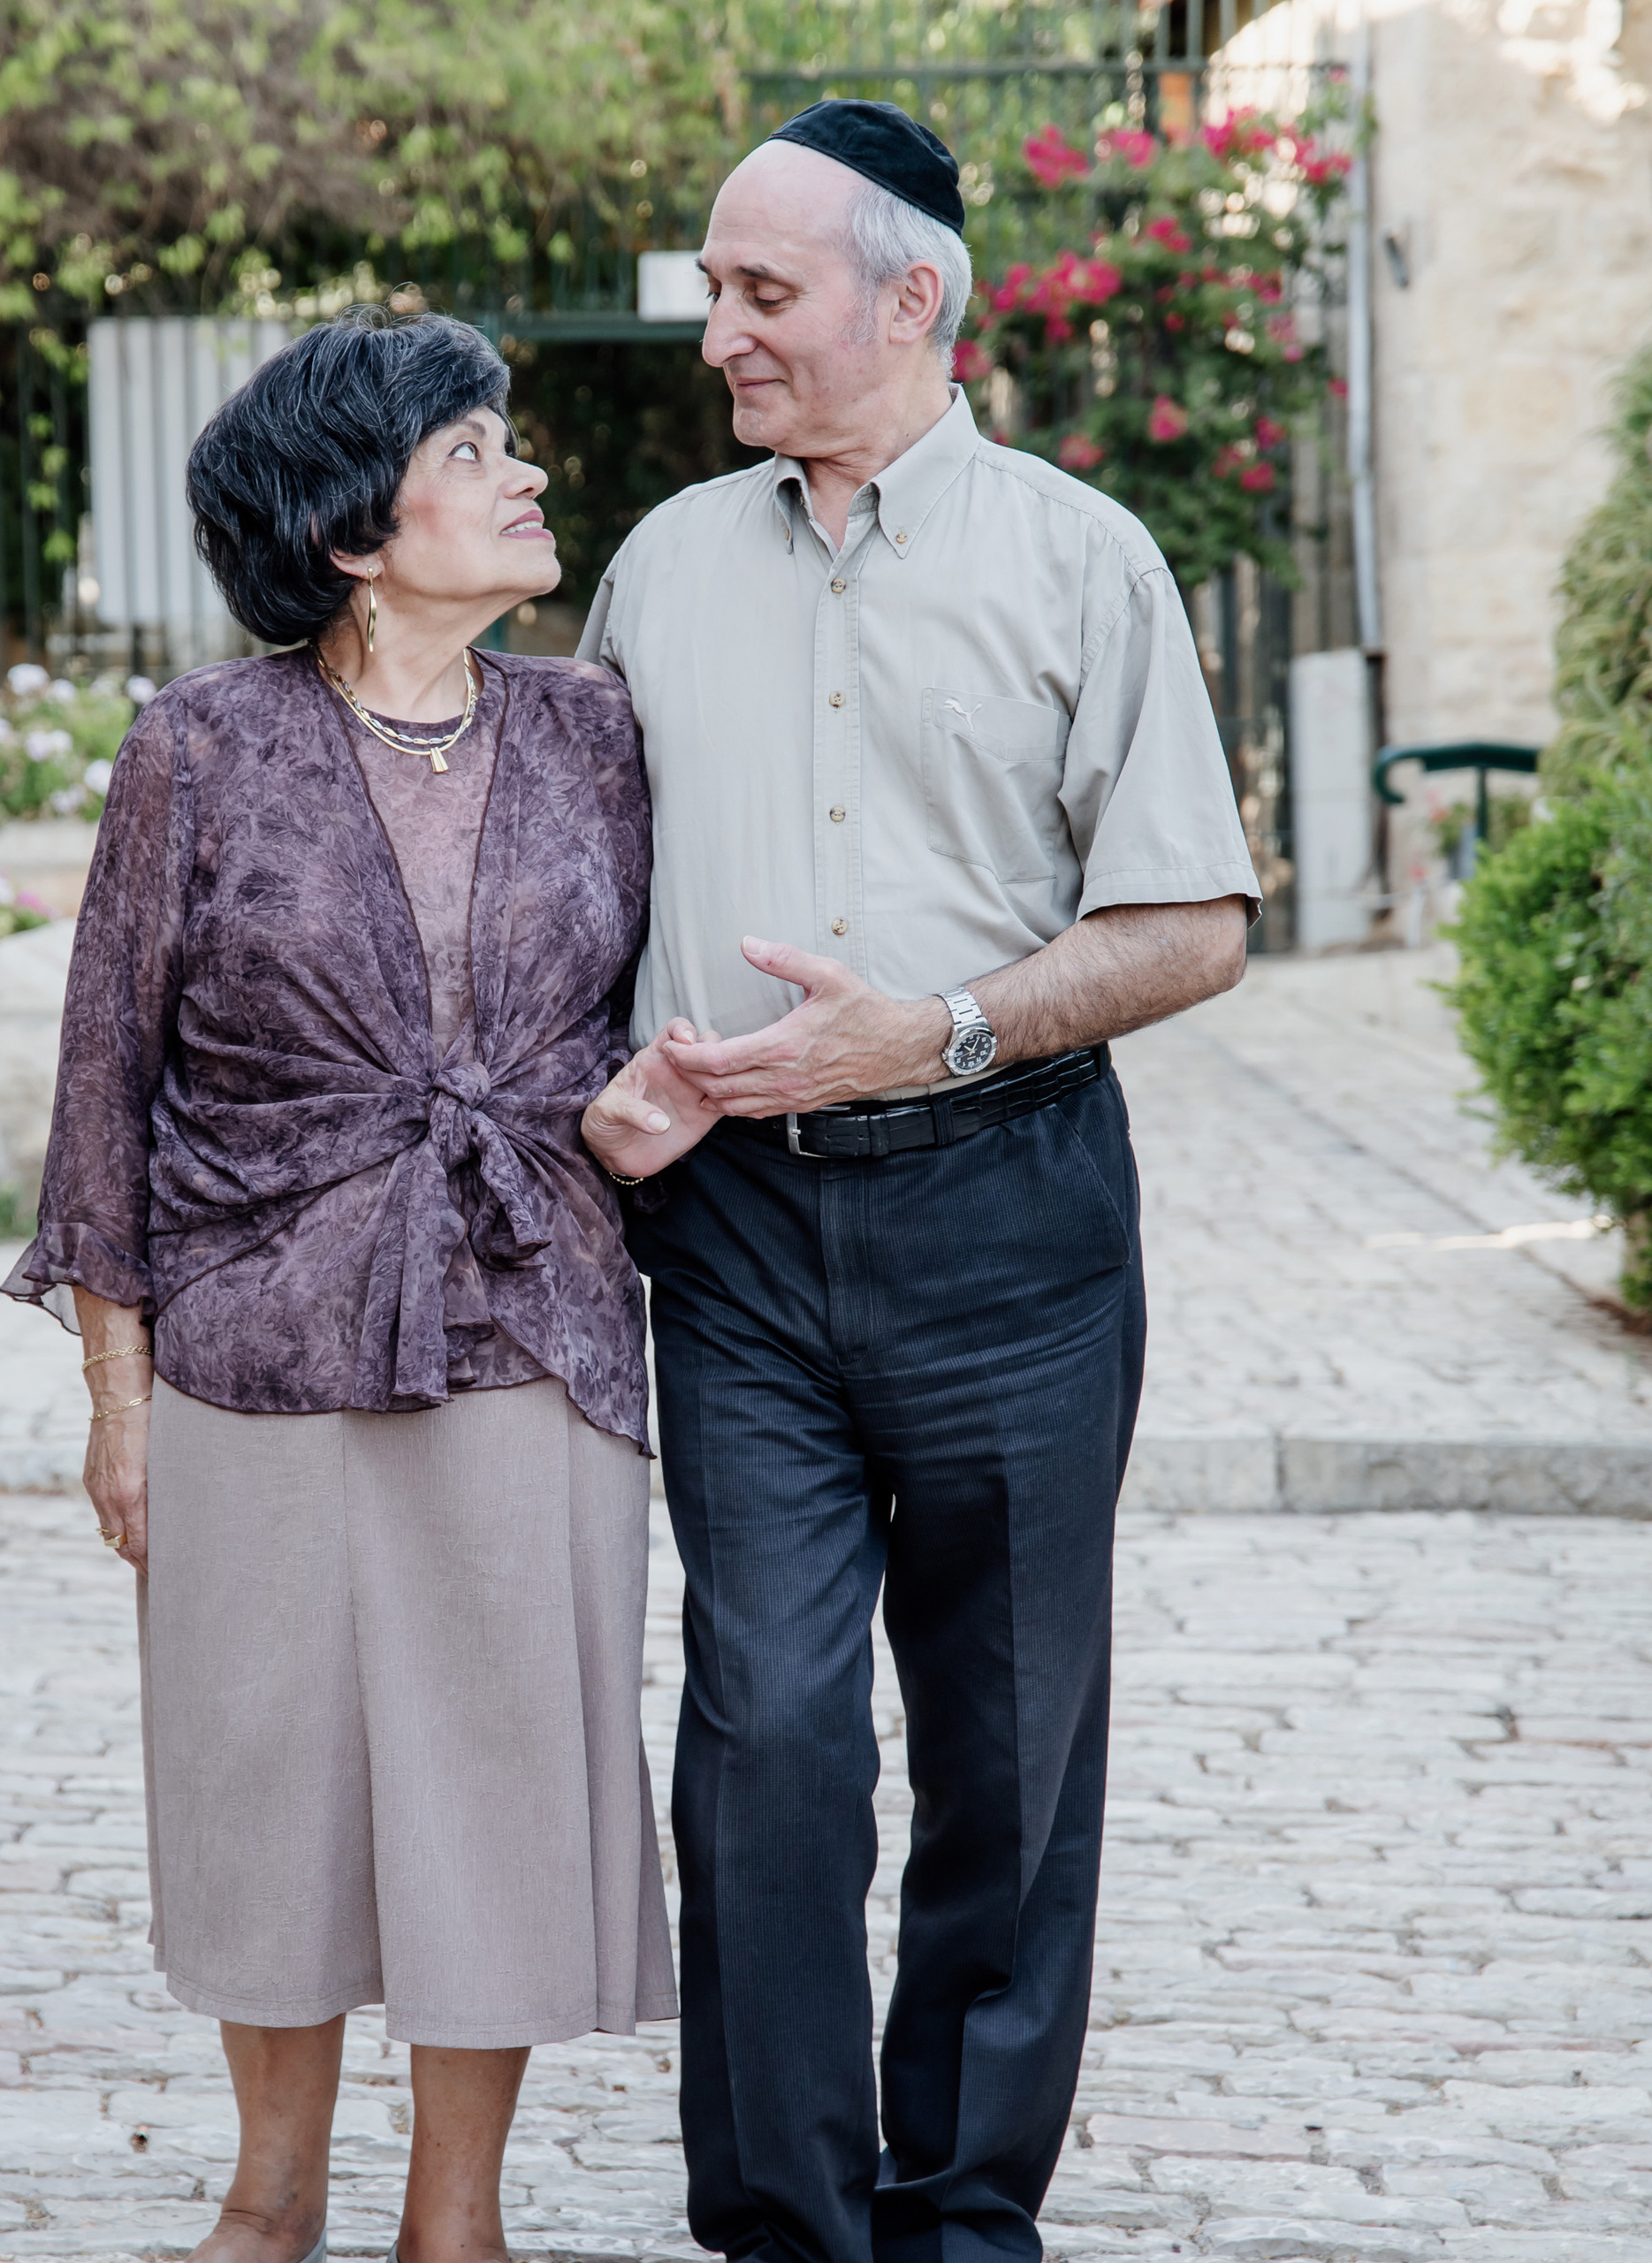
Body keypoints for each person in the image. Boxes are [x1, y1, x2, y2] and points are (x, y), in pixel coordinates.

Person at [578, 99, 1260, 2263]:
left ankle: (961, 2213)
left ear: (913, 301)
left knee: (1004, 1741)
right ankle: (788, 2219)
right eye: (714, 291)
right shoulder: (662, 563)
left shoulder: (1082, 559)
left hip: (1011, 1221)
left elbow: (1190, 922)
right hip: (743, 1232)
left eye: (759, 293)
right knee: (763, 1718)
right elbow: (583, 897)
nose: (720, 339)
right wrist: (624, 1080)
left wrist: (940, 1028)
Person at [1, 307, 681, 2263]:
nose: (522, 474)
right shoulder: (194, 748)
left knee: (495, 1771)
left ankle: (449, 2218)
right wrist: (116, 1398)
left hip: (527, 1318)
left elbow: (657, 1015)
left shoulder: (594, 732)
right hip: (251, 1341)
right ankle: (268, 2192)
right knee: (262, 1771)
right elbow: (102, 1081)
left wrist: (648, 1109)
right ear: (350, 531)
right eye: (471, 452)